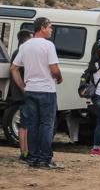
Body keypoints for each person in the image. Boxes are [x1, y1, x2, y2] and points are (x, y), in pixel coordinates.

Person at [10, 17, 63, 169]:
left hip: (30, 90)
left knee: (32, 125)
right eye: (50, 27)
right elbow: (53, 68)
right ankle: (45, 158)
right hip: (46, 90)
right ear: (43, 27)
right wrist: (59, 77)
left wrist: (22, 85)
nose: (51, 30)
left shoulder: (25, 46)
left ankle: (32, 158)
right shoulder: (48, 45)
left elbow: (14, 68)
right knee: (46, 124)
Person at [9, 30, 33, 162]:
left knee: (25, 124)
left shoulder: (17, 52)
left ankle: (25, 152)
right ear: (26, 39)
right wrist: (25, 89)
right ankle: (25, 152)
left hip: (20, 93)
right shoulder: (21, 52)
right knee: (26, 124)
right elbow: (17, 71)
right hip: (23, 94)